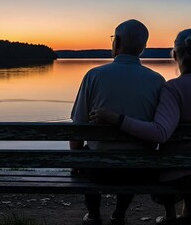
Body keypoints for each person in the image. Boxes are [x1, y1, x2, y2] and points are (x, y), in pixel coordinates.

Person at [90, 29, 191, 225]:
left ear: (174, 55)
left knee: (171, 155)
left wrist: (118, 119)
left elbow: (160, 133)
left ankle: (172, 216)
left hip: (183, 176)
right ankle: (187, 213)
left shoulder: (173, 88)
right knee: (185, 151)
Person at [70, 19, 165, 225]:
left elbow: (77, 127)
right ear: (143, 47)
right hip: (138, 171)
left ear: (117, 42)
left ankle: (94, 214)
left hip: (99, 170)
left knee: (88, 154)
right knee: (135, 151)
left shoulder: (94, 75)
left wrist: (75, 160)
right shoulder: (157, 80)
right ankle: (119, 214)